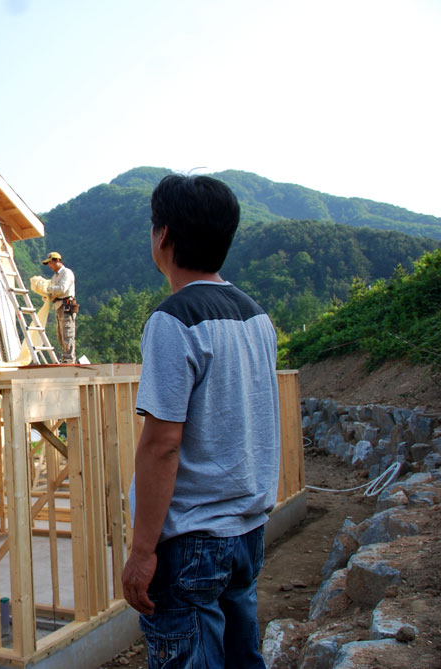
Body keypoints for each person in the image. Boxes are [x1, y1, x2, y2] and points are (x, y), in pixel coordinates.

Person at [121, 174, 280, 668]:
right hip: (246, 533)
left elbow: (162, 444)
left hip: (191, 544)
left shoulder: (173, 320)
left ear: (163, 236)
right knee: (240, 659)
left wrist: (143, 551)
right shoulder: (256, 316)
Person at [41, 251, 76, 364]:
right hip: (58, 306)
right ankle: (65, 358)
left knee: (67, 333)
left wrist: (49, 289)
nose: (50, 266)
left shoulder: (67, 273)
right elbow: (53, 292)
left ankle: (69, 359)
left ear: (57, 261)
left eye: (51, 263)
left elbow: (62, 289)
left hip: (66, 305)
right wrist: (46, 295)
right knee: (61, 336)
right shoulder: (54, 277)